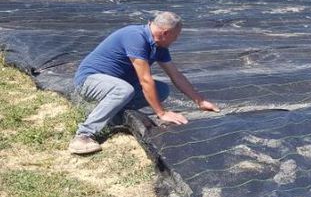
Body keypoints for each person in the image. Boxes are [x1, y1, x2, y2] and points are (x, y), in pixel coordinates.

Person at [69, 11, 219, 155]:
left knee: (161, 90)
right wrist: (162, 113)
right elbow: (145, 80)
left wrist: (200, 101)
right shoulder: (135, 37)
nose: (177, 39)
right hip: (90, 81)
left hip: (117, 84)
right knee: (125, 90)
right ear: (165, 33)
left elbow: (176, 75)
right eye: (176, 35)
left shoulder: (159, 47)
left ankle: (113, 116)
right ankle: (83, 135)